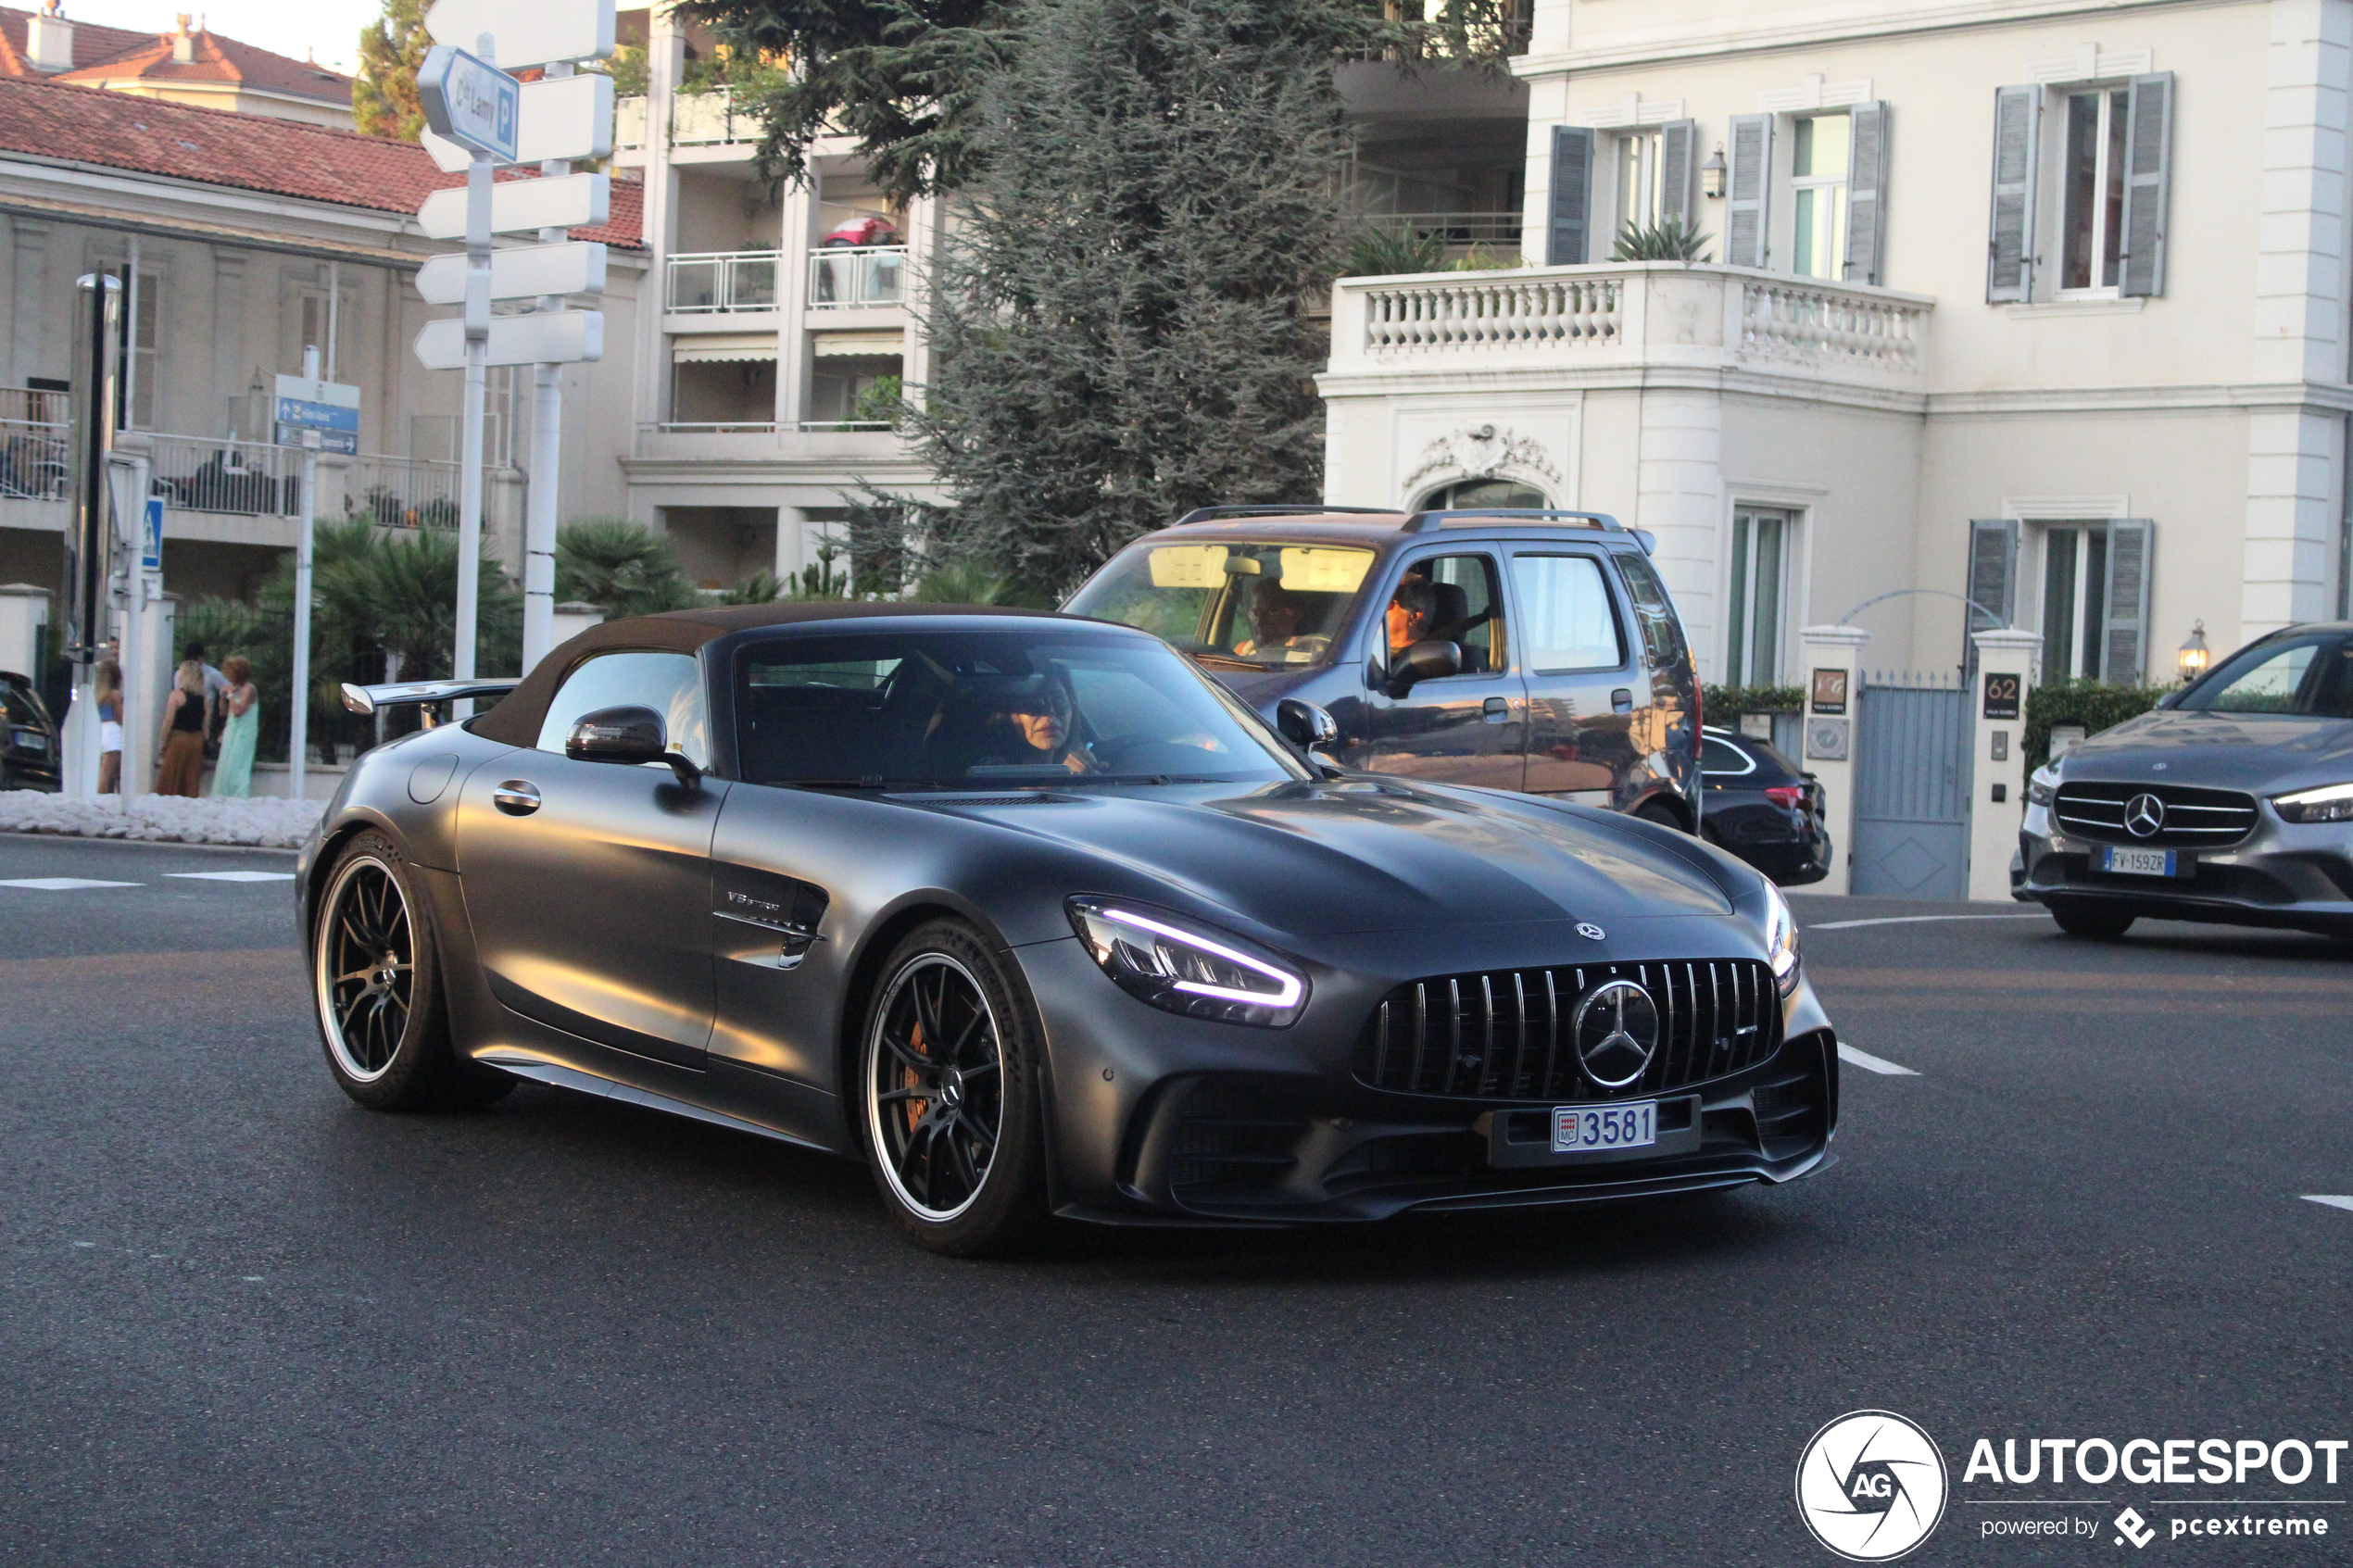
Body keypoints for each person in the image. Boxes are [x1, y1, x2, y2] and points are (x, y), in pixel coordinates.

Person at [155, 659, 208, 797]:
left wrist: (162, 741)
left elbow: (168, 720)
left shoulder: (176, 695)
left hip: (179, 738)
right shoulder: (204, 699)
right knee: (191, 778)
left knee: (171, 776)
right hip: (197, 740)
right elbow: (205, 725)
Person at [211, 654, 258, 797]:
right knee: (226, 765)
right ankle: (222, 794)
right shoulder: (235, 688)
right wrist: (222, 697)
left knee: (237, 765)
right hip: (232, 730)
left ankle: (238, 795)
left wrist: (231, 695)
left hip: (243, 733)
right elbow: (223, 712)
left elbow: (238, 711)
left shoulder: (249, 689)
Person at [1385, 572, 1437, 660]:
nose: (1383, 609)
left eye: (1389, 604)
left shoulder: (1428, 658)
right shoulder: (1366, 647)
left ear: (1414, 616)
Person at [94, 659, 123, 794]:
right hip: (113, 732)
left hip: (99, 730)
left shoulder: (97, 694)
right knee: (108, 776)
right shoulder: (114, 694)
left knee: (100, 773)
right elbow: (119, 718)